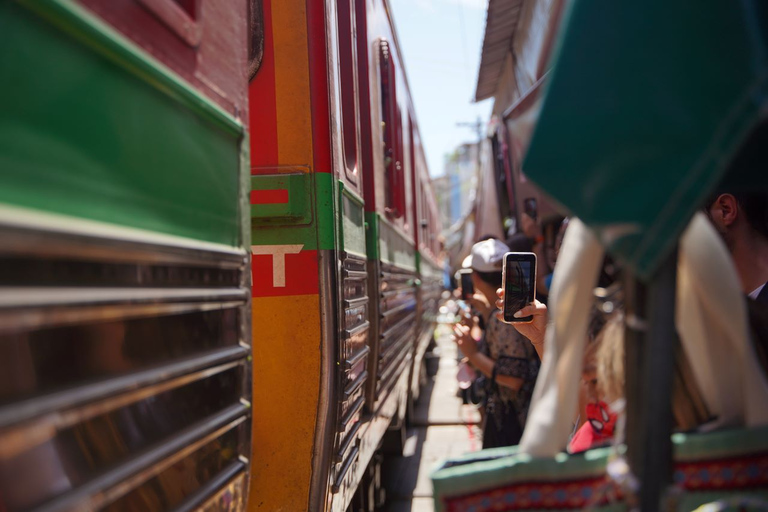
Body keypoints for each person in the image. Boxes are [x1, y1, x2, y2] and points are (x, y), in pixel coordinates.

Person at [452, 239, 541, 448]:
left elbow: (513, 378)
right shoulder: (501, 313)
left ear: (475, 277)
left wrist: (473, 355)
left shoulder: (503, 319)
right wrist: (484, 313)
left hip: (513, 427)